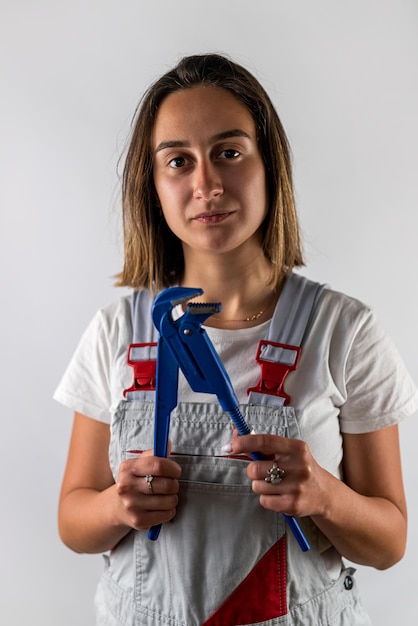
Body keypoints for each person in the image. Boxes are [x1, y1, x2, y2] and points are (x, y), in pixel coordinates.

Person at [55, 53, 418, 626]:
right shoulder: (117, 333)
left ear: (268, 164)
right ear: (151, 185)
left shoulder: (345, 332)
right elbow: (74, 522)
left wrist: (323, 494)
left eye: (229, 152)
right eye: (179, 161)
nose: (207, 184)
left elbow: (389, 543)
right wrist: (116, 505)